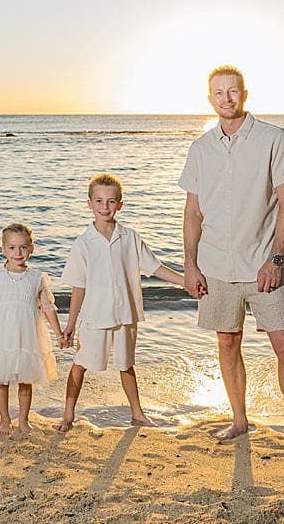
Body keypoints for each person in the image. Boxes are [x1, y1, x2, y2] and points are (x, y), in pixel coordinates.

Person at [180, 65, 284, 453]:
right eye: (219, 93)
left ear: (245, 94)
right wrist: (189, 264)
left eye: (232, 91)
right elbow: (193, 212)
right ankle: (239, 420)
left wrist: (276, 258)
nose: (226, 99)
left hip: (263, 266)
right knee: (228, 343)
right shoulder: (200, 148)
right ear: (210, 99)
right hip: (216, 265)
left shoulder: (274, 138)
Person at [55, 173, 186, 433]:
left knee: (126, 365)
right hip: (95, 315)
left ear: (120, 205)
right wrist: (70, 324)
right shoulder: (83, 244)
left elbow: (155, 267)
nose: (105, 207)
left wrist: (186, 282)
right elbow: (78, 287)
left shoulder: (130, 237)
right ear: (89, 203)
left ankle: (137, 413)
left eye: (111, 201)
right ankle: (68, 415)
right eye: (99, 201)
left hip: (126, 313)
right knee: (80, 363)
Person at [0, 223, 65, 437]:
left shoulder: (37, 278)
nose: (18, 252)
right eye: (12, 247)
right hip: (2, 332)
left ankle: (24, 419)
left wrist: (58, 333)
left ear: (31, 249)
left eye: (23, 247)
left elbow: (47, 308)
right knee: (1, 378)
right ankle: (5, 418)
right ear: (3, 249)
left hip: (28, 333)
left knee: (26, 379)